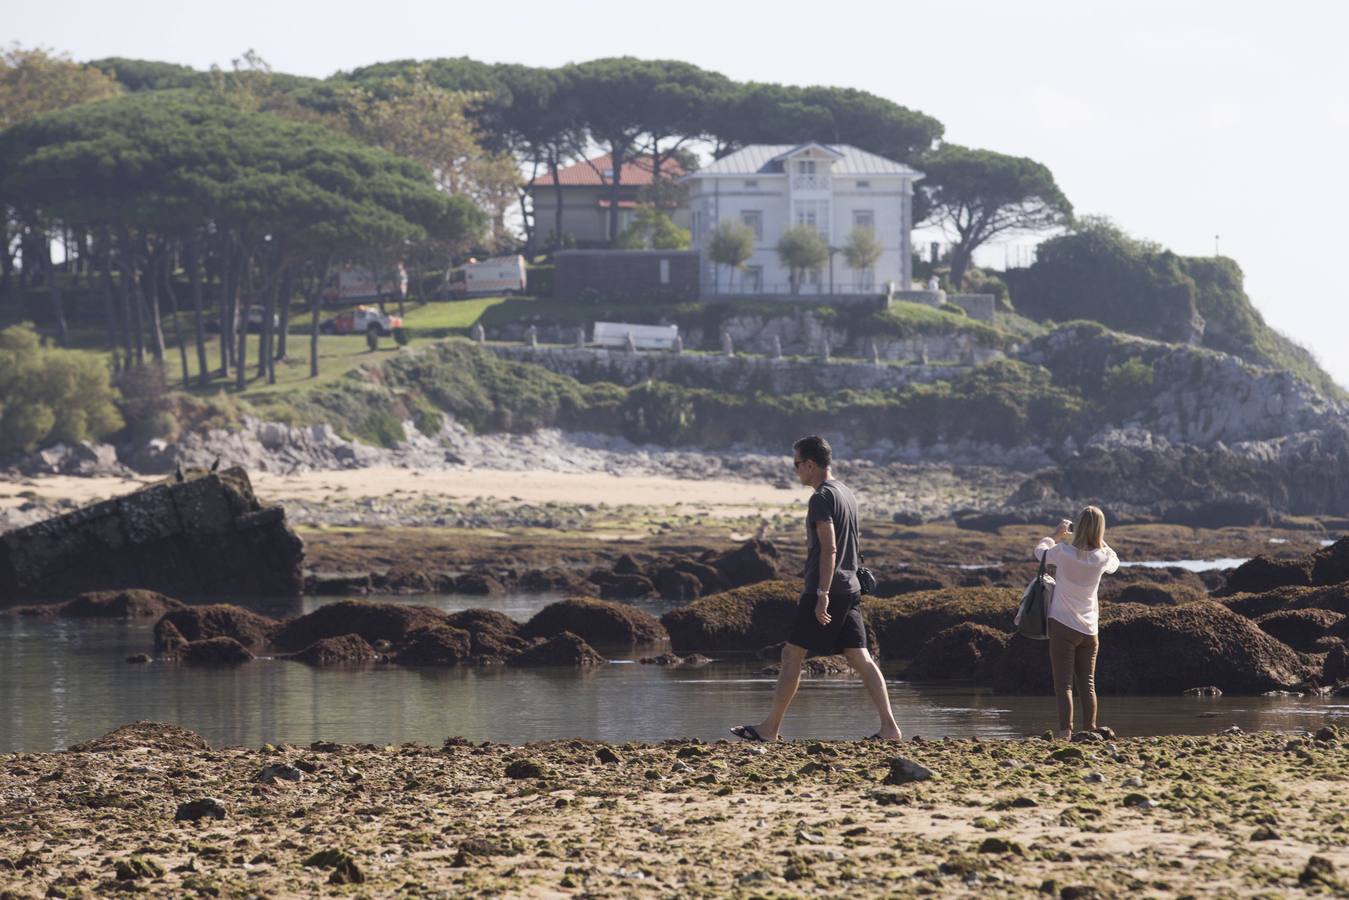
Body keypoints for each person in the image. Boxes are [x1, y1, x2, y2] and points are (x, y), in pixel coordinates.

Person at [732, 436, 903, 742]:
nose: (795, 470)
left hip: (828, 588)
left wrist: (822, 594)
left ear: (810, 464)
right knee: (860, 656)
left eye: (796, 464)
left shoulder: (821, 498)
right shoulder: (846, 493)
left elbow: (830, 547)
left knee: (792, 653)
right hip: (849, 587)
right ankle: (889, 728)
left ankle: (769, 728)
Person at [1034, 506, 1119, 739]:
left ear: (1078, 527)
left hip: (1062, 623)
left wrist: (1056, 534)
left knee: (1064, 684)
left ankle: (1065, 732)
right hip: (1090, 629)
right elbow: (1115, 561)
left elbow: (1039, 551)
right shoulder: (1103, 557)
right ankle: (1090, 728)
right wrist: (1099, 539)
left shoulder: (1062, 552)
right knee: (1087, 683)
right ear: (1100, 530)